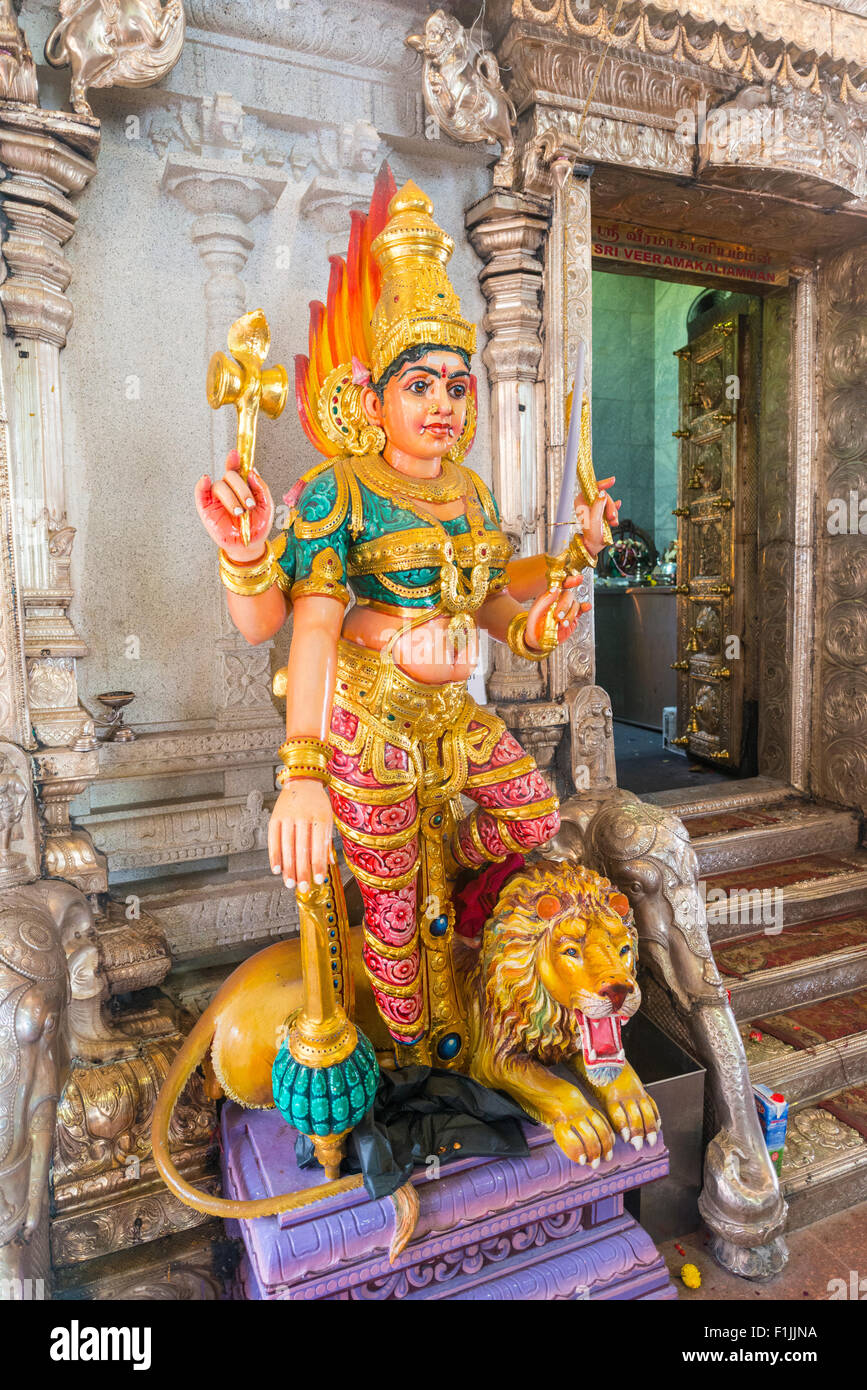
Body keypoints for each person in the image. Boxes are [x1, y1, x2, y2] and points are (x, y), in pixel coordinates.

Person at [195, 177, 619, 1066]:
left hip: (451, 717)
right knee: (388, 915)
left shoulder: (467, 492)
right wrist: (302, 774)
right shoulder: (338, 488)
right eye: (419, 383)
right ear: (372, 395)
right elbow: (291, 623)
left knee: (532, 811)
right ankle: (415, 1059)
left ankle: (446, 892)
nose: (442, 405)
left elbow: (495, 600)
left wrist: (549, 606)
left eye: (457, 388)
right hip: (365, 723)